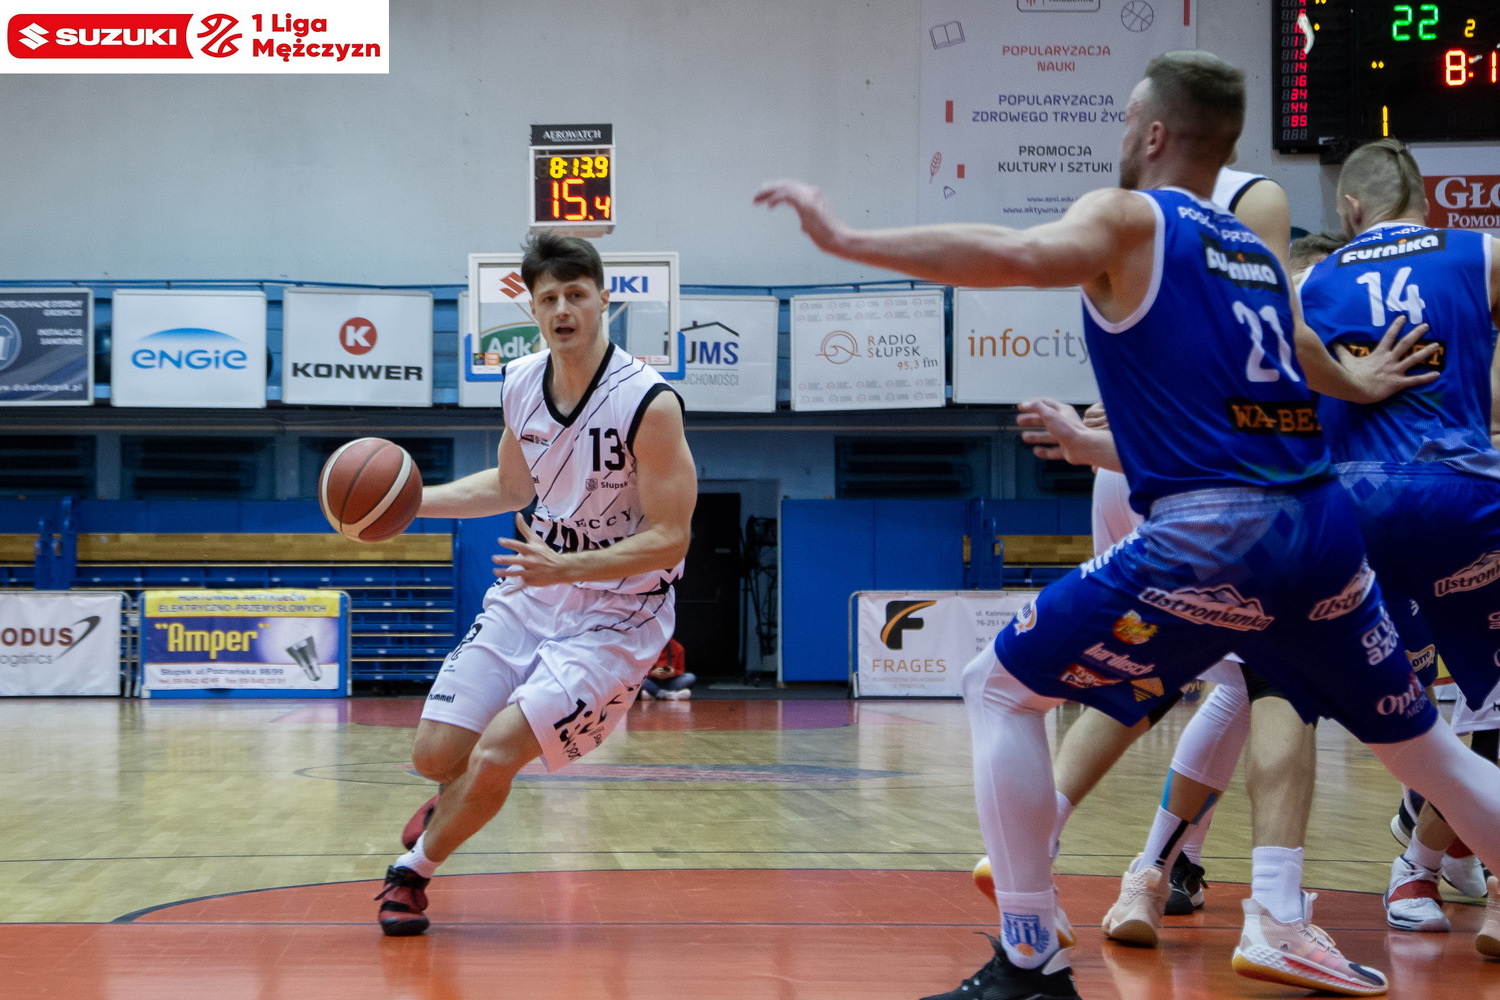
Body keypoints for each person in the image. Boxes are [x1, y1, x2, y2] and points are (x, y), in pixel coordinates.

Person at [757, 50, 1500, 1000]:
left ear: (1152, 132)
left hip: (1213, 529)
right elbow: (1306, 354)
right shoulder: (1255, 257)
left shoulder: (1132, 217)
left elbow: (1013, 255)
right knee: (1424, 750)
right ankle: (1200, 891)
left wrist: (847, 239)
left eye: (1123, 122)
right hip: (1320, 528)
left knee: (996, 689)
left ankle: (1030, 958)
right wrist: (1360, 382)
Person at [372, 231, 698, 936]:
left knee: (496, 754)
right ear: (532, 307)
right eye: (548, 298)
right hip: (534, 592)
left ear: (604, 300)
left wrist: (568, 565)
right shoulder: (519, 382)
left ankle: (411, 874)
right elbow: (511, 487)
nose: (563, 310)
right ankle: (452, 797)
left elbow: (672, 536)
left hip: (618, 614)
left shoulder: (649, 402)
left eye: (576, 295)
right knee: (436, 756)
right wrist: (407, 503)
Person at [1298, 137, 1500, 943]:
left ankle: (1212, 882)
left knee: (1269, 699)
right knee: (1488, 702)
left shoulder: (1314, 278)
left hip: (1349, 515)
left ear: (1351, 207)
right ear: (1427, 203)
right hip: (1458, 502)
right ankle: (1420, 860)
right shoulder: (1478, 252)